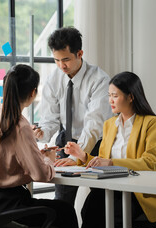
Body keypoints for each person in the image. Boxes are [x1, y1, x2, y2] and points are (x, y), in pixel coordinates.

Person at [0, 64, 79, 228]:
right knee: (66, 211)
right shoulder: (19, 125)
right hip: (13, 207)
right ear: (33, 93)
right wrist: (48, 160)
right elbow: (41, 175)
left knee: (58, 212)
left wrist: (38, 156)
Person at [64, 71, 156, 228]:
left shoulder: (151, 122)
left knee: (104, 209)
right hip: (112, 189)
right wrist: (82, 156)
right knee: (90, 206)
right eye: (109, 95)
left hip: (139, 193)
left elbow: (150, 162)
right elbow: (102, 161)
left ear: (131, 97)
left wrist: (111, 162)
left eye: (115, 95)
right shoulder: (110, 125)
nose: (110, 100)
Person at [33, 27, 112, 205]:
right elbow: (50, 118)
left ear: (80, 53)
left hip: (96, 145)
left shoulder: (99, 80)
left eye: (66, 59)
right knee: (62, 202)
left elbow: (94, 125)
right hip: (66, 141)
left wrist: (76, 157)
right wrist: (42, 132)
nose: (62, 65)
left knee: (99, 202)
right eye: (57, 60)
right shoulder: (54, 79)